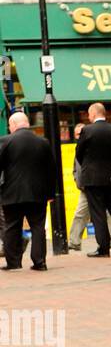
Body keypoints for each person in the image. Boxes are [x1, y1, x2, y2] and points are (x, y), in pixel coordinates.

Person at [0, 111, 55, 272]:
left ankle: (13, 262)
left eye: (10, 125)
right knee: (38, 227)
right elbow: (51, 170)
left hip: (12, 192)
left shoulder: (5, 141)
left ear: (14, 125)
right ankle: (39, 262)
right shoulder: (43, 142)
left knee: (12, 226)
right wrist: (51, 193)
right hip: (38, 193)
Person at [74, 102, 111, 257]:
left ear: (93, 114)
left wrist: (89, 166)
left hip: (92, 178)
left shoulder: (87, 131)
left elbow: (79, 153)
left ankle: (104, 248)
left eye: (89, 114)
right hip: (110, 176)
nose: (88, 117)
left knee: (98, 213)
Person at [69, 122, 111, 252]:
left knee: (104, 214)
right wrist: (76, 179)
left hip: (95, 184)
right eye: (77, 134)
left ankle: (109, 240)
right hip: (84, 187)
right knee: (80, 214)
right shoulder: (78, 148)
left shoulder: (91, 148)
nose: (79, 136)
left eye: (80, 133)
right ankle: (74, 241)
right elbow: (75, 168)